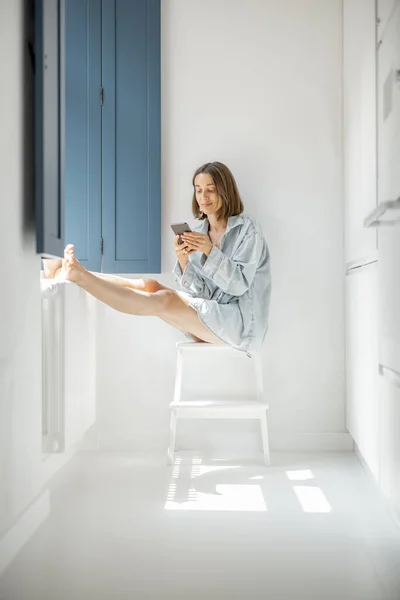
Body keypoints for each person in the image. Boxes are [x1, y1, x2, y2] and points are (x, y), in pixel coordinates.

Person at [43, 161, 271, 356]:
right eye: (198, 190)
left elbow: (239, 285)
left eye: (210, 189)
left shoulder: (247, 229)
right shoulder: (200, 231)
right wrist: (184, 262)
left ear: (225, 191)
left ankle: (81, 277)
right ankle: (79, 273)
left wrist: (211, 252)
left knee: (166, 300)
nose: (204, 197)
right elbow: (203, 296)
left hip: (240, 327)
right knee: (151, 286)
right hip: (211, 319)